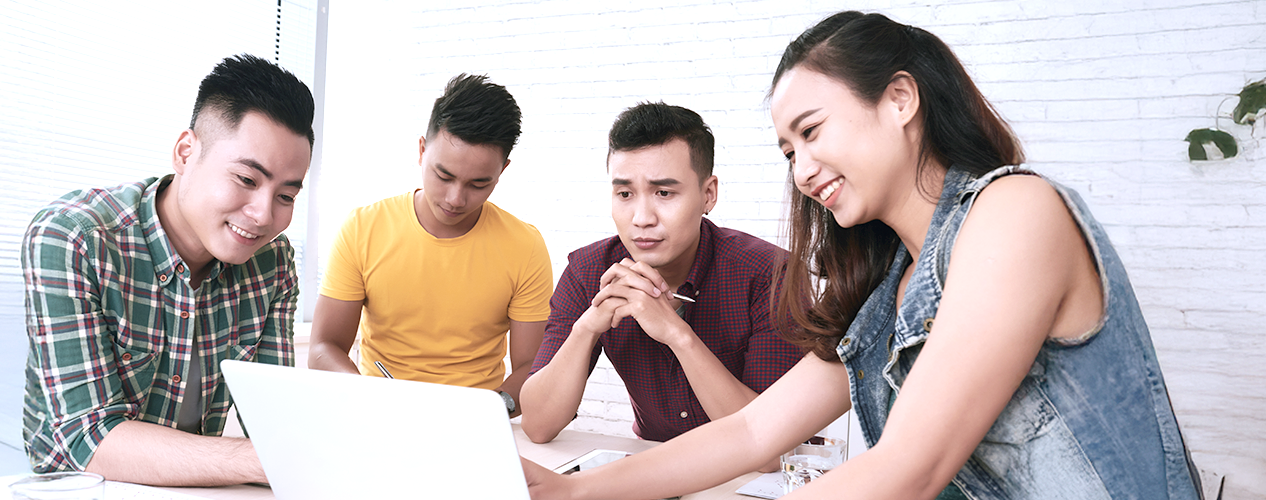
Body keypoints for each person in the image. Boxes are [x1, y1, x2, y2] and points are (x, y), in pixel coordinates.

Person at [522, 11, 1201, 500]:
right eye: (788, 151)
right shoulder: (885, 288)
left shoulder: (1015, 211)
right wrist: (572, 491)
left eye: (812, 131)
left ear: (900, 99)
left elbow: (908, 470)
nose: (802, 170)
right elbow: (752, 431)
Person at [21, 54, 314, 486]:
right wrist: (273, 460)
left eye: (286, 196)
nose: (263, 215)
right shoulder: (74, 237)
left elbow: (274, 423)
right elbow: (88, 438)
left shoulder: (273, 262)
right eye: (247, 180)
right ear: (185, 152)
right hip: (83, 489)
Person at [519, 103, 806, 457]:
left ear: (708, 194)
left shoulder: (770, 274)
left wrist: (676, 334)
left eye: (664, 193)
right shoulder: (588, 272)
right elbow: (538, 425)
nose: (641, 218)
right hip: (653, 462)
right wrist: (587, 328)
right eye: (625, 194)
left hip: (752, 475)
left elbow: (772, 444)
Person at [307, 74, 550, 417]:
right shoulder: (362, 228)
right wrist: (366, 396)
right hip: (379, 416)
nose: (455, 199)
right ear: (422, 151)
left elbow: (532, 367)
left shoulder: (525, 246)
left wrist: (492, 410)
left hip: (476, 423)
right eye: (444, 176)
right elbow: (323, 348)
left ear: (502, 171)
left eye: (478, 184)